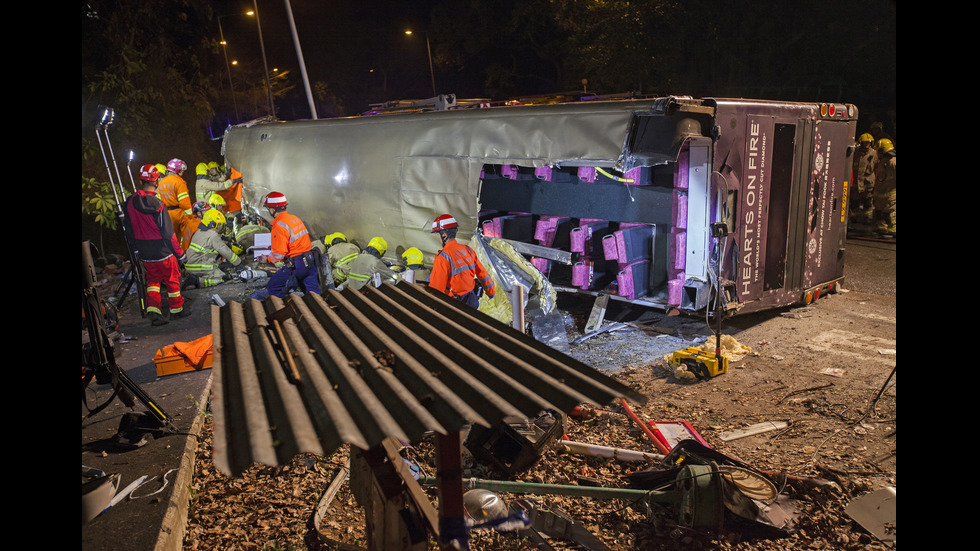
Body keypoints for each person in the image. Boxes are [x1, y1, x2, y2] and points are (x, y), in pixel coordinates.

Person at [122, 164, 190, 326]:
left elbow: (128, 229)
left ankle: (154, 310)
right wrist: (180, 254)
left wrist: (137, 249)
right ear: (157, 180)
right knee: (172, 279)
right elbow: (168, 233)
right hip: (163, 251)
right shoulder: (158, 204)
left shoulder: (130, 202)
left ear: (141, 181)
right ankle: (176, 311)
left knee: (153, 281)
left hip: (145, 251)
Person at [428, 214, 496, 308]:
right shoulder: (467, 250)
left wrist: (429, 305)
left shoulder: (443, 257)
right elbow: (483, 274)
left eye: (437, 234)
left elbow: (436, 289)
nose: (437, 237)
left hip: (456, 306)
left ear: (444, 235)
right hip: (473, 301)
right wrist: (491, 292)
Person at [262, 192, 321, 298]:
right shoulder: (294, 219)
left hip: (297, 264)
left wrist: (267, 259)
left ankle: (286, 311)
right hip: (310, 261)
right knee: (313, 294)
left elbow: (279, 254)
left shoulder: (279, 226)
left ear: (272, 209)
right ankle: (320, 311)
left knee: (273, 287)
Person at [183, 209, 243, 289]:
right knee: (220, 278)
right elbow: (224, 250)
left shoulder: (199, 232)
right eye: (219, 224)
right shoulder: (213, 235)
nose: (221, 226)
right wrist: (238, 263)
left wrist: (222, 238)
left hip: (191, 265)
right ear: (212, 224)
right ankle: (197, 281)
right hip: (199, 266)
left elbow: (207, 244)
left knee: (218, 270)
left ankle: (194, 280)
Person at [850, 133, 877, 227]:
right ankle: (853, 219)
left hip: (868, 184)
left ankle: (868, 219)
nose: (867, 145)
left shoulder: (874, 154)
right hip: (856, 184)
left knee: (868, 203)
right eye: (865, 143)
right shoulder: (855, 153)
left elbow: (877, 169)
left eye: (868, 143)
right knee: (854, 203)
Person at [873, 139, 896, 239]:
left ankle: (893, 230)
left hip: (891, 195)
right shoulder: (882, 161)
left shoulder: (893, 162)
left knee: (890, 214)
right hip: (879, 195)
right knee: (879, 214)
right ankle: (882, 229)